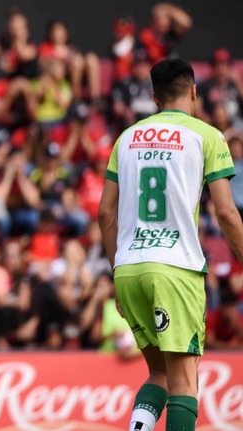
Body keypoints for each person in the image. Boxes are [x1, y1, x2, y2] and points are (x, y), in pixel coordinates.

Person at [99, 58, 243, 431]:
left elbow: (105, 213)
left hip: (129, 268)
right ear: (194, 91)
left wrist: (117, 269)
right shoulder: (207, 135)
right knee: (184, 383)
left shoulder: (126, 138)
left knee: (159, 374)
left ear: (154, 97)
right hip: (175, 268)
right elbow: (226, 212)